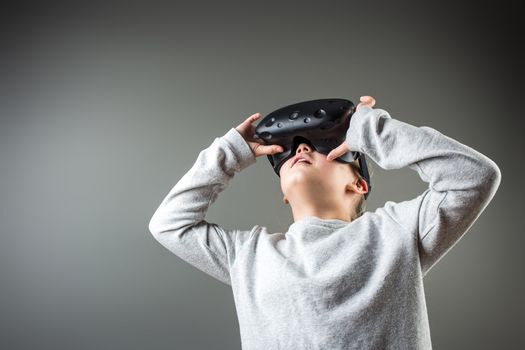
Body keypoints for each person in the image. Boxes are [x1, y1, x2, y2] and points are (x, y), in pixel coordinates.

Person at [148, 95, 501, 350]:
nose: (301, 148)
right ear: (284, 193)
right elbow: (169, 224)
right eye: (290, 151)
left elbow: (474, 176)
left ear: (358, 183)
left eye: (322, 147)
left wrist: (372, 130)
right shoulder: (248, 255)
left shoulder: (398, 232)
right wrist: (229, 153)